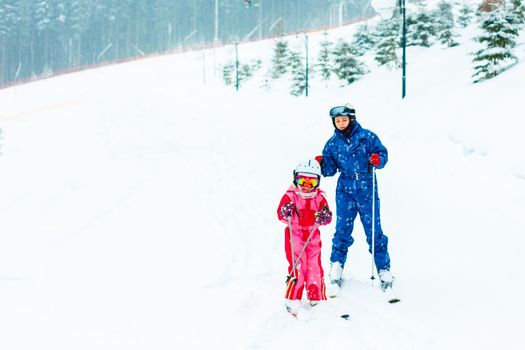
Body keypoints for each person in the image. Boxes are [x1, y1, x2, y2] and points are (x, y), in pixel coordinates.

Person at [317, 104, 394, 294]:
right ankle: (336, 265)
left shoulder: (367, 137)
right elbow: (330, 170)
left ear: (351, 119)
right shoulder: (332, 143)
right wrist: (322, 164)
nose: (341, 124)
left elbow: (382, 154)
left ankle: (383, 268)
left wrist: (378, 159)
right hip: (345, 189)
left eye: (344, 120)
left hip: (367, 188)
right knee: (342, 230)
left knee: (374, 231)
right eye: (337, 121)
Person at [276, 159, 333, 315]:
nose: (306, 186)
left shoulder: (319, 197)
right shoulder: (290, 195)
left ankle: (316, 296)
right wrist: (285, 212)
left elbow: (327, 216)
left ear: (318, 182)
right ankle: (293, 297)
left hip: (312, 233)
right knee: (298, 264)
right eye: (302, 180)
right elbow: (280, 214)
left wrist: (325, 216)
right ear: (295, 178)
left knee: (314, 265)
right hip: (294, 233)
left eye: (311, 182)